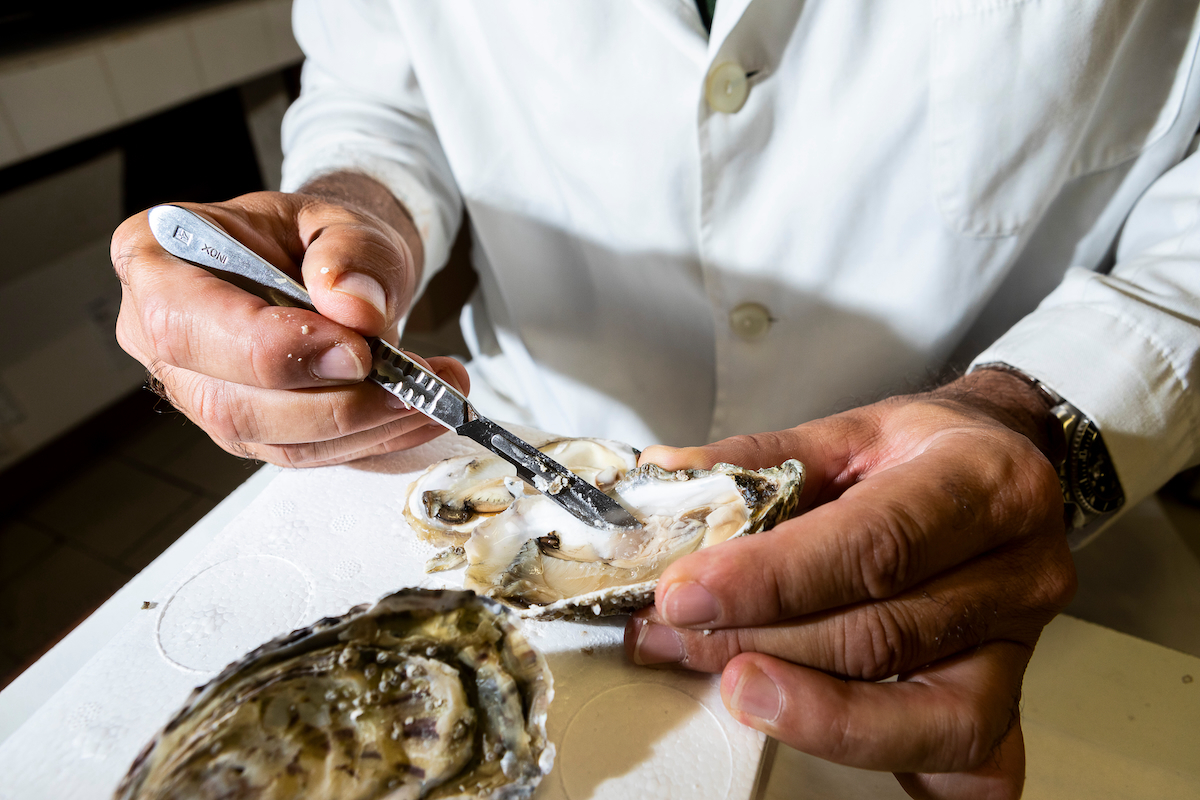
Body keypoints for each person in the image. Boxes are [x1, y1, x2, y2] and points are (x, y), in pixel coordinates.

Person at [110, 2, 1200, 798]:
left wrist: (1035, 416)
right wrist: (354, 212)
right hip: (528, 528)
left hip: (1018, 582)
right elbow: (377, 90)